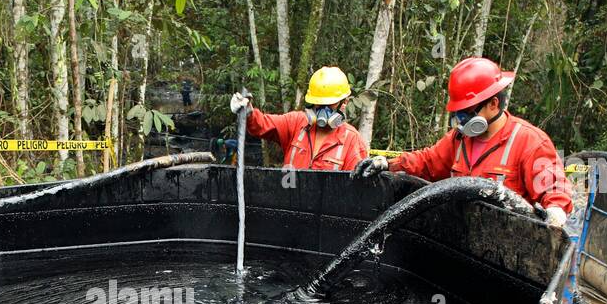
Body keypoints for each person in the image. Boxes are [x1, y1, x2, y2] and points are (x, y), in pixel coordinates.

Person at [355, 57, 572, 228]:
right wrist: (388, 164)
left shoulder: (530, 142)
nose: (460, 120)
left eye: (466, 112)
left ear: (493, 104)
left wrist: (555, 212)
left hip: (504, 246)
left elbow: (554, 190)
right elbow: (427, 162)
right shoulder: (459, 139)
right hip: (462, 238)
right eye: (458, 113)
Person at [229, 67, 369, 171]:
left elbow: (358, 189)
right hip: (289, 205)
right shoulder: (296, 123)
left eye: (329, 104)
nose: (322, 109)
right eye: (319, 103)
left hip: (328, 209)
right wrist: (248, 112)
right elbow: (262, 125)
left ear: (344, 103)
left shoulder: (352, 140)